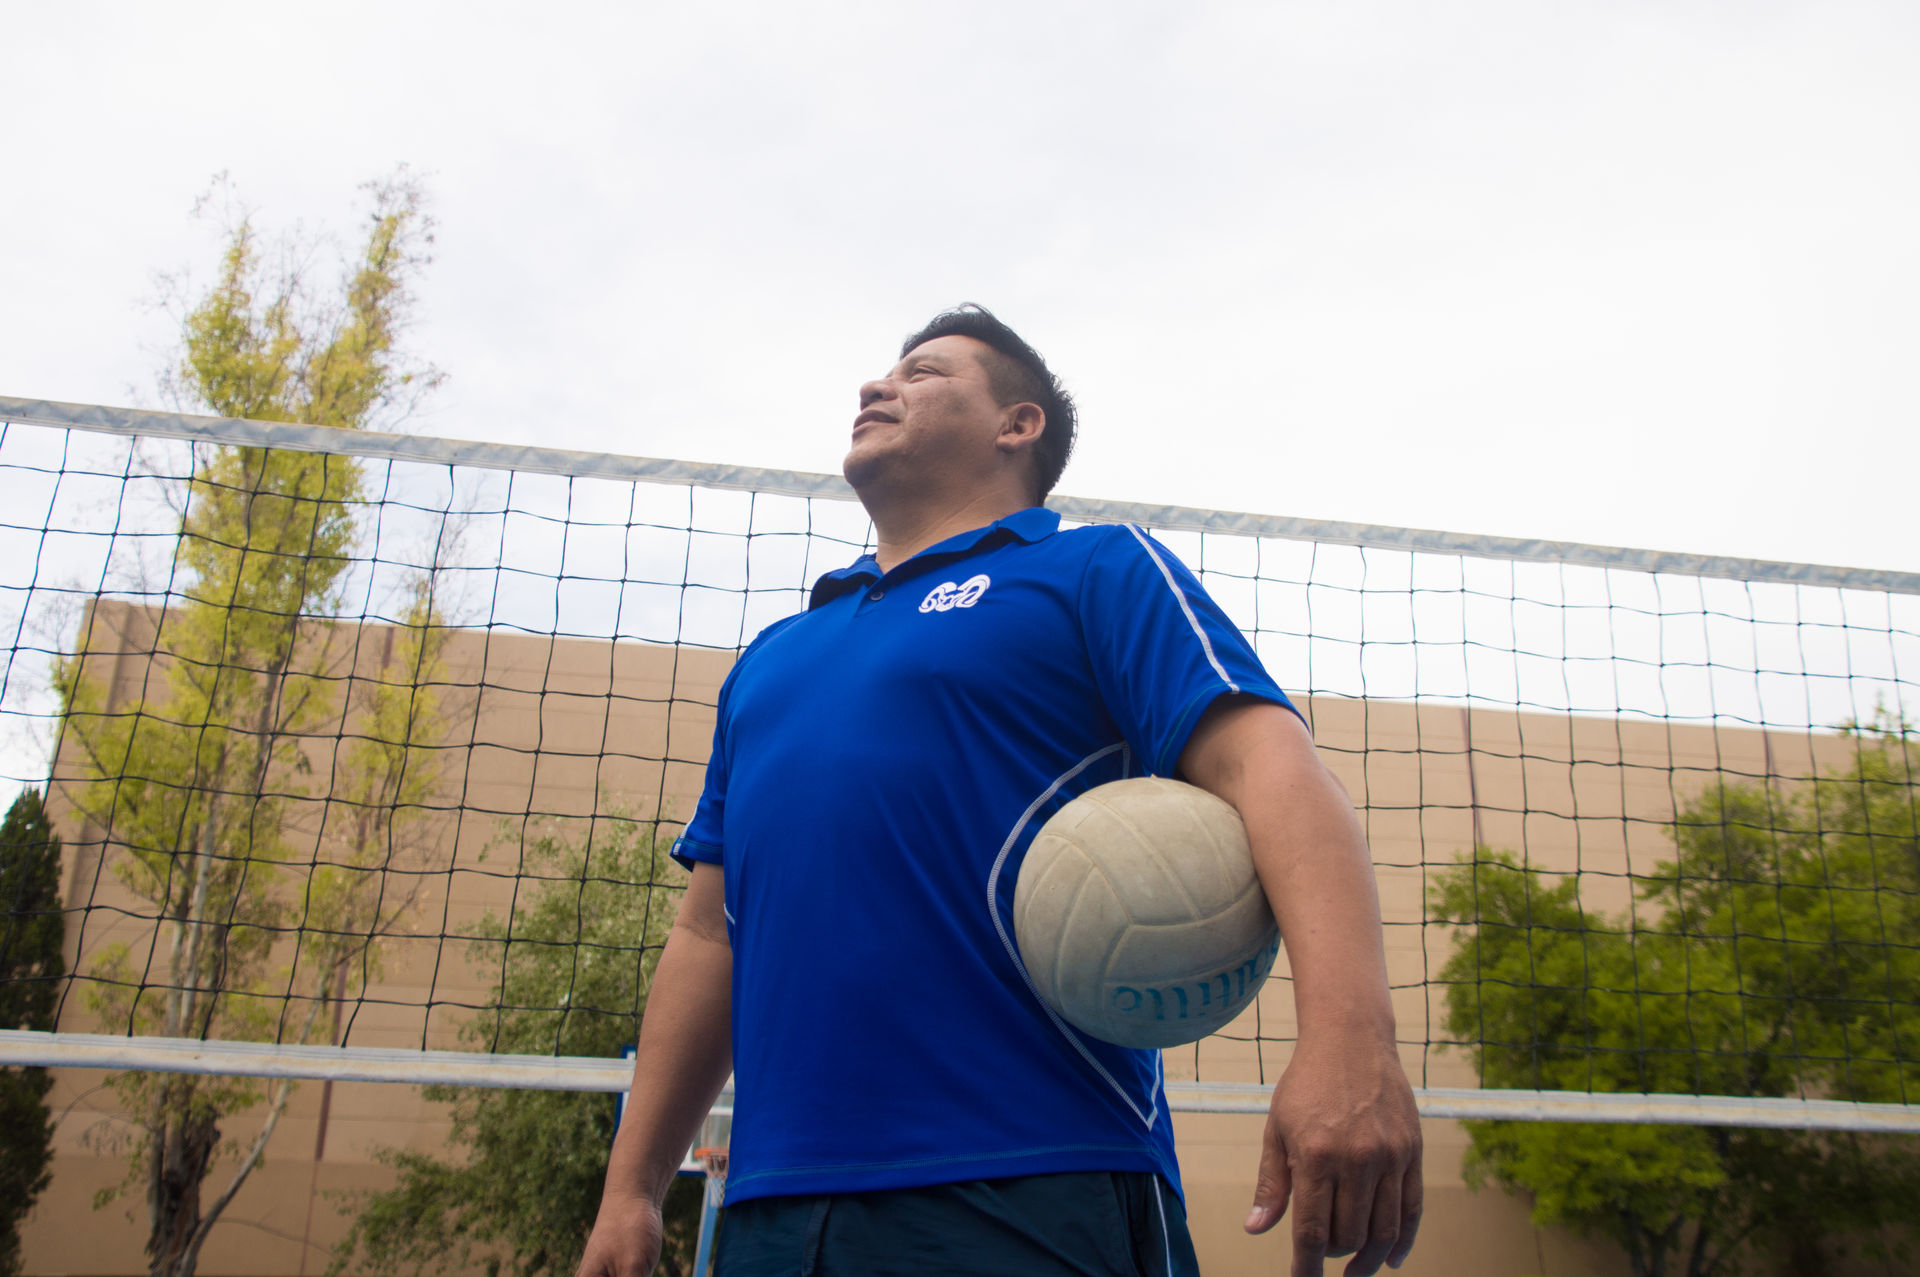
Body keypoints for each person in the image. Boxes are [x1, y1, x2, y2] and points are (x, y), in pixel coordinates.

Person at [578, 306, 1422, 1277]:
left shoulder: (1092, 571)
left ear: (1015, 425)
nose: (875, 386)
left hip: (1035, 1182)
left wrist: (1353, 1042)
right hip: (773, 1208)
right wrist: (632, 1183)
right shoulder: (774, 657)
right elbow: (707, 933)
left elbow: (1275, 770)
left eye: (923, 371)